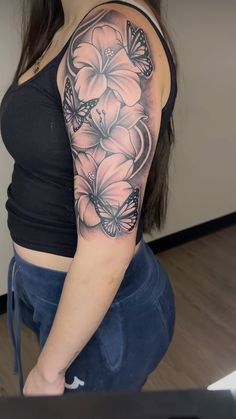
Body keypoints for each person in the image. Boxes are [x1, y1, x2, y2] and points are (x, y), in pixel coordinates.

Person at [0, 0, 178, 396]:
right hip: (57, 294)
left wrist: (47, 374)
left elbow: (107, 249)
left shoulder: (110, 36)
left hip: (104, 313)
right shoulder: (65, 22)